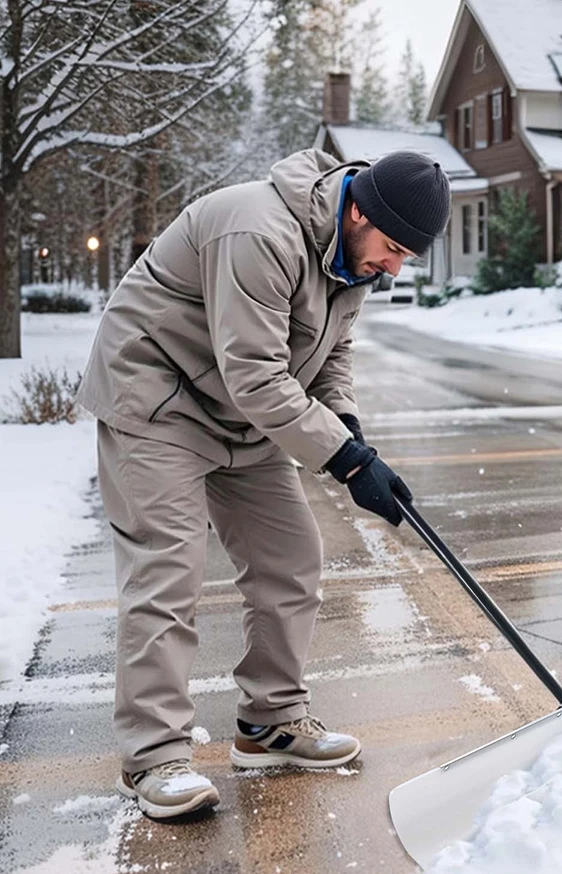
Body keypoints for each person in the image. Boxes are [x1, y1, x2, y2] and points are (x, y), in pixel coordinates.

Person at [77, 149, 451, 819]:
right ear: (358, 209)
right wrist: (347, 462)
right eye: (393, 248)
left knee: (290, 558)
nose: (394, 267)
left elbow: (330, 356)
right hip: (157, 401)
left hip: (243, 416)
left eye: (407, 257)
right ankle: (153, 758)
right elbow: (255, 374)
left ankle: (270, 722)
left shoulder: (351, 256)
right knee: (168, 572)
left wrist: (349, 429)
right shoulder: (257, 231)